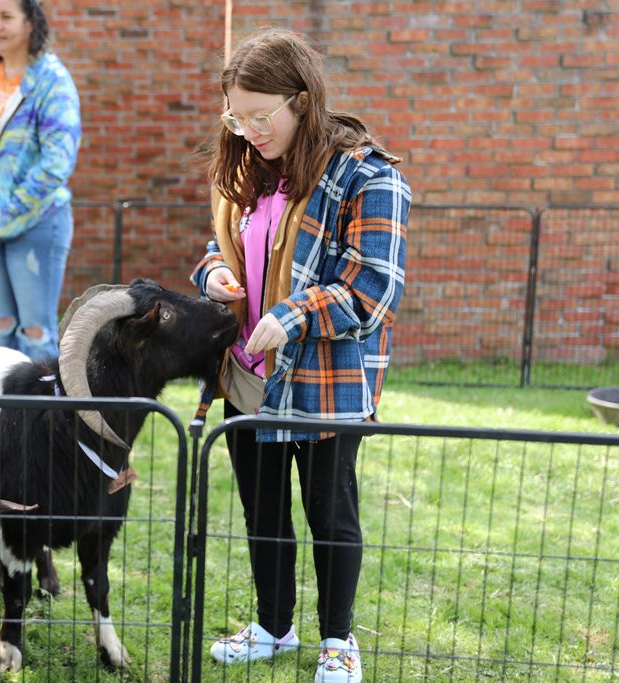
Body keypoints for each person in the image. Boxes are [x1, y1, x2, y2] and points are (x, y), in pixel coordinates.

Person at [190, 28, 410, 683]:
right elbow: (219, 244)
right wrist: (213, 276)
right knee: (263, 511)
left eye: (263, 116)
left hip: (327, 382)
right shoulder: (251, 171)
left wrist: (291, 314)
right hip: (247, 378)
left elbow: (373, 288)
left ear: (303, 101)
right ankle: (274, 625)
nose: (250, 130)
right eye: (238, 116)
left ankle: (339, 640)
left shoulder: (369, 176)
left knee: (329, 510)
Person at [0, 0, 81, 363]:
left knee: (36, 333)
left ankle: (40, 420)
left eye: (7, 17)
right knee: (1, 327)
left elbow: (58, 158)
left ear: (30, 24)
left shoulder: (51, 80)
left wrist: (12, 205)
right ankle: (5, 419)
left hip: (36, 223)